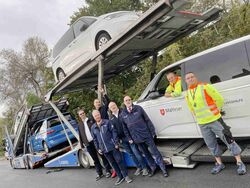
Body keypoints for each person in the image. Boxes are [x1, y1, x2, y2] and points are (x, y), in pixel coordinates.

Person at [185, 72, 247, 175]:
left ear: (195, 78)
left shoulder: (205, 87)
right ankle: (219, 164)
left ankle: (239, 162)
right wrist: (197, 116)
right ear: (186, 81)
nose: (190, 79)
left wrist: (216, 112)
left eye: (192, 77)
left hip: (215, 120)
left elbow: (219, 99)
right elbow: (191, 107)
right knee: (211, 144)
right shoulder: (187, 93)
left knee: (228, 139)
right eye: (188, 78)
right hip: (202, 124)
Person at [121, 96, 168, 177]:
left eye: (129, 100)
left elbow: (147, 120)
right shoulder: (123, 114)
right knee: (146, 154)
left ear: (131, 101)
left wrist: (152, 131)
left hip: (146, 135)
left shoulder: (138, 108)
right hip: (137, 139)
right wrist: (129, 138)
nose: (128, 101)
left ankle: (163, 168)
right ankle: (153, 167)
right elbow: (125, 128)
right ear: (124, 103)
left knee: (155, 152)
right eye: (126, 100)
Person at [91, 110, 133, 186]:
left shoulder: (107, 122)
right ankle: (120, 176)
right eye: (95, 116)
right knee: (113, 163)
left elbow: (114, 132)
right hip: (104, 150)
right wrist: (98, 148)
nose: (97, 116)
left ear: (100, 114)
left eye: (98, 114)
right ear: (94, 117)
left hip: (113, 147)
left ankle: (126, 176)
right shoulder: (93, 127)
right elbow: (95, 139)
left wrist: (116, 143)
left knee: (119, 161)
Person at [108, 101, 149, 176]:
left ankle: (144, 168)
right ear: (110, 109)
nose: (113, 107)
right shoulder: (111, 118)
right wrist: (117, 140)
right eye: (111, 107)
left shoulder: (123, 112)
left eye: (114, 105)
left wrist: (130, 136)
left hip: (129, 137)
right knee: (131, 154)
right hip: (122, 140)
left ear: (116, 105)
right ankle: (139, 167)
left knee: (136, 152)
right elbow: (114, 131)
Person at [77, 108, 112, 180]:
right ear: (79, 116)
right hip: (88, 144)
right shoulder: (79, 124)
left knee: (102, 156)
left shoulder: (91, 120)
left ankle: (108, 171)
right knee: (95, 159)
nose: (82, 115)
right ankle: (99, 173)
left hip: (96, 142)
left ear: (85, 113)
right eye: (80, 114)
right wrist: (82, 145)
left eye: (83, 113)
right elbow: (80, 135)